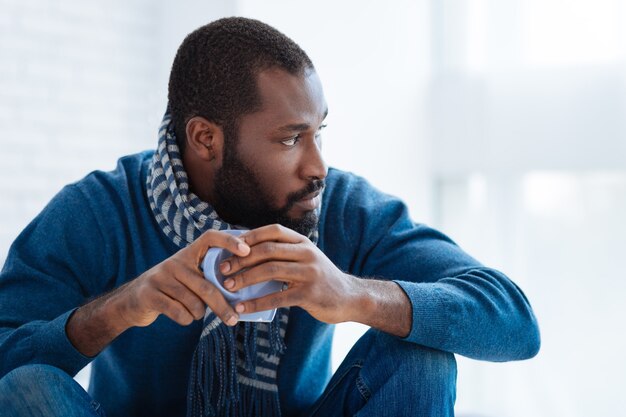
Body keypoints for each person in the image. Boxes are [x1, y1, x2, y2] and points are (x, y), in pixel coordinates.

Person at [0, 17, 540, 417]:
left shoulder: (340, 207)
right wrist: (121, 307)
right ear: (206, 139)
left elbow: (513, 320)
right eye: (290, 139)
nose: (318, 166)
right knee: (30, 388)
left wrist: (352, 294)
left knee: (422, 358)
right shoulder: (102, 208)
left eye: (318, 132)